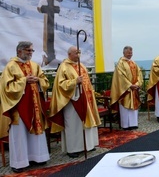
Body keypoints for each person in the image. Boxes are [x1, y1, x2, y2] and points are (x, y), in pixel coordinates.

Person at [0, 41, 50, 173]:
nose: (30, 53)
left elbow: (45, 81)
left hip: (35, 105)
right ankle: (19, 162)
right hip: (19, 106)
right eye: (28, 50)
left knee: (36, 131)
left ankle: (38, 157)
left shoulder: (35, 65)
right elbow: (6, 87)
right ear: (19, 51)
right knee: (20, 134)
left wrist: (38, 81)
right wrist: (24, 81)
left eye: (31, 50)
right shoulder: (10, 66)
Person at [48, 46, 101, 158]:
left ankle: (88, 145)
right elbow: (60, 85)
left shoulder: (81, 65)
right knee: (73, 125)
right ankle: (73, 149)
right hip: (72, 100)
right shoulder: (64, 67)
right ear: (69, 54)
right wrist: (74, 82)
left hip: (85, 99)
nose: (78, 55)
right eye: (76, 53)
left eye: (79, 52)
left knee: (85, 123)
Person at [110, 46, 143, 130]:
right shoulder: (120, 63)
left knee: (134, 108)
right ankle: (125, 125)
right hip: (125, 90)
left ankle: (133, 123)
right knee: (125, 107)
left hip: (134, 88)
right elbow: (120, 76)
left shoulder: (133, 63)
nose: (130, 54)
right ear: (124, 53)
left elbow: (139, 73)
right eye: (128, 52)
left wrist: (137, 83)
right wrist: (129, 85)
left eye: (131, 52)